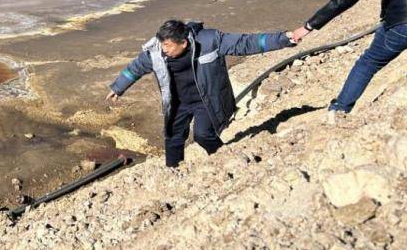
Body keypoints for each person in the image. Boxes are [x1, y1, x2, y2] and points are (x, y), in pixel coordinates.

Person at [106, 19, 294, 167]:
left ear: (184, 43)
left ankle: (223, 157)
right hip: (178, 102)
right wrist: (118, 87)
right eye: (162, 44)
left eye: (168, 46)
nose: (164, 50)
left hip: (207, 99)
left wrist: (285, 38)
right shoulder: (156, 52)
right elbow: (136, 68)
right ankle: (174, 170)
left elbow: (246, 43)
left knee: (203, 135)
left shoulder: (210, 40)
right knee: (173, 137)